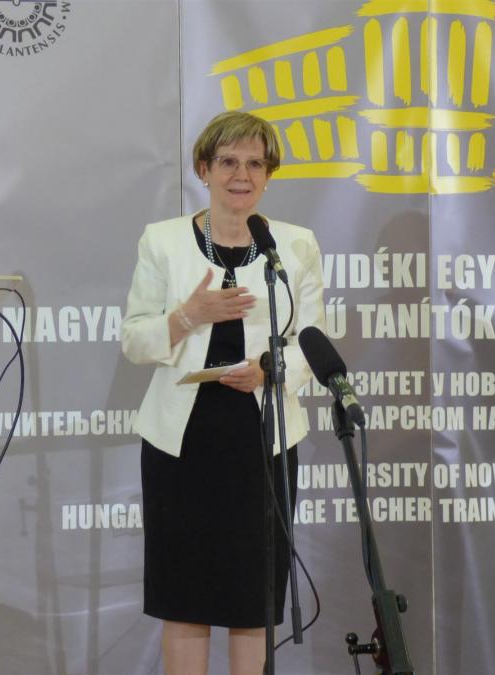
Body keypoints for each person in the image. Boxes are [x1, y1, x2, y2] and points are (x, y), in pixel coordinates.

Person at [121, 111, 326, 675]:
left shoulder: (293, 246)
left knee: (251, 598)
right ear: (204, 169)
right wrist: (189, 315)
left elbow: (312, 341)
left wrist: (269, 370)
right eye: (229, 162)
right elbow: (135, 339)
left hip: (262, 437)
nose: (242, 176)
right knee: (183, 596)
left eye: (255, 164)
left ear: (269, 175)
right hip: (181, 441)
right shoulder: (163, 241)